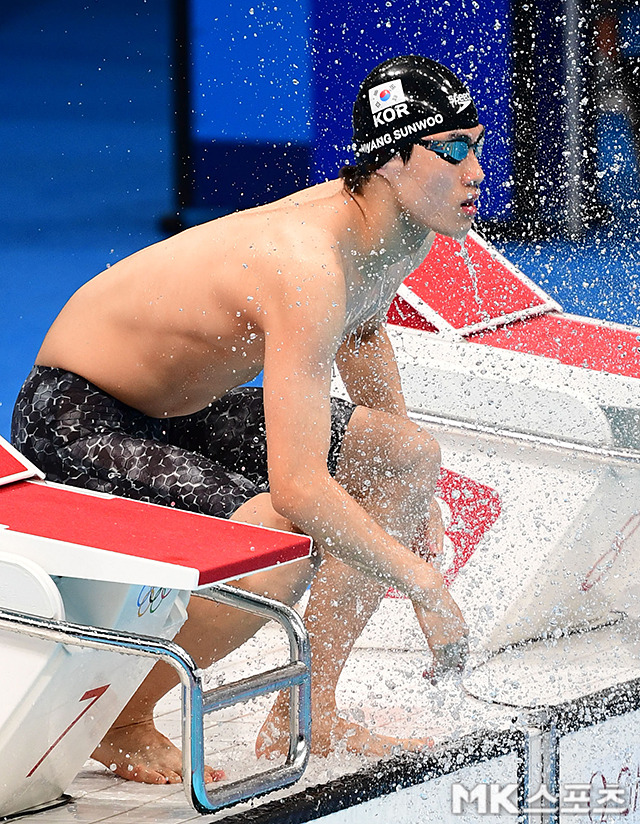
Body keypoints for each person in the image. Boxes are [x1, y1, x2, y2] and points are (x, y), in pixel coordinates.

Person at [11, 55, 483, 785]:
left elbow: (363, 332)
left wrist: (407, 499)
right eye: (451, 151)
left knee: (406, 456)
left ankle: (308, 709)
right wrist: (421, 581)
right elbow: (299, 490)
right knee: (281, 544)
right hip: (80, 411)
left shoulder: (405, 229)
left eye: (477, 145)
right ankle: (125, 718)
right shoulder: (308, 263)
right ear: (391, 161)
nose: (474, 170)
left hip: (177, 405)